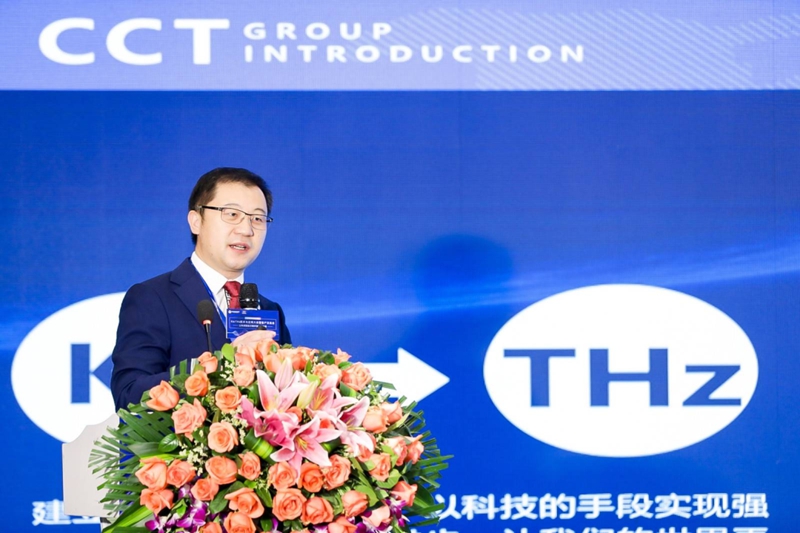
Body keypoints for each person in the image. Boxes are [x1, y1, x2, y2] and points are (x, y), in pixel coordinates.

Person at [110, 167, 291, 411]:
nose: (246, 229)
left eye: (257, 218)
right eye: (232, 214)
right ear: (196, 221)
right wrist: (221, 366)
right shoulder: (152, 298)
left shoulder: (270, 310)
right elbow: (129, 395)